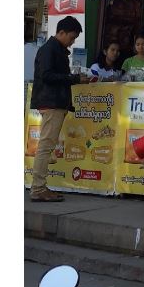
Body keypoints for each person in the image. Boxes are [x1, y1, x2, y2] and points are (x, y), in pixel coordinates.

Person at [29, 16, 93, 202]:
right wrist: (74, 78)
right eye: (72, 38)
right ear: (62, 33)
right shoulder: (50, 50)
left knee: (47, 146)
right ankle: (38, 188)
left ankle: (40, 186)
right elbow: (47, 76)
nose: (72, 42)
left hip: (54, 102)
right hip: (51, 103)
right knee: (46, 146)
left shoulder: (55, 50)